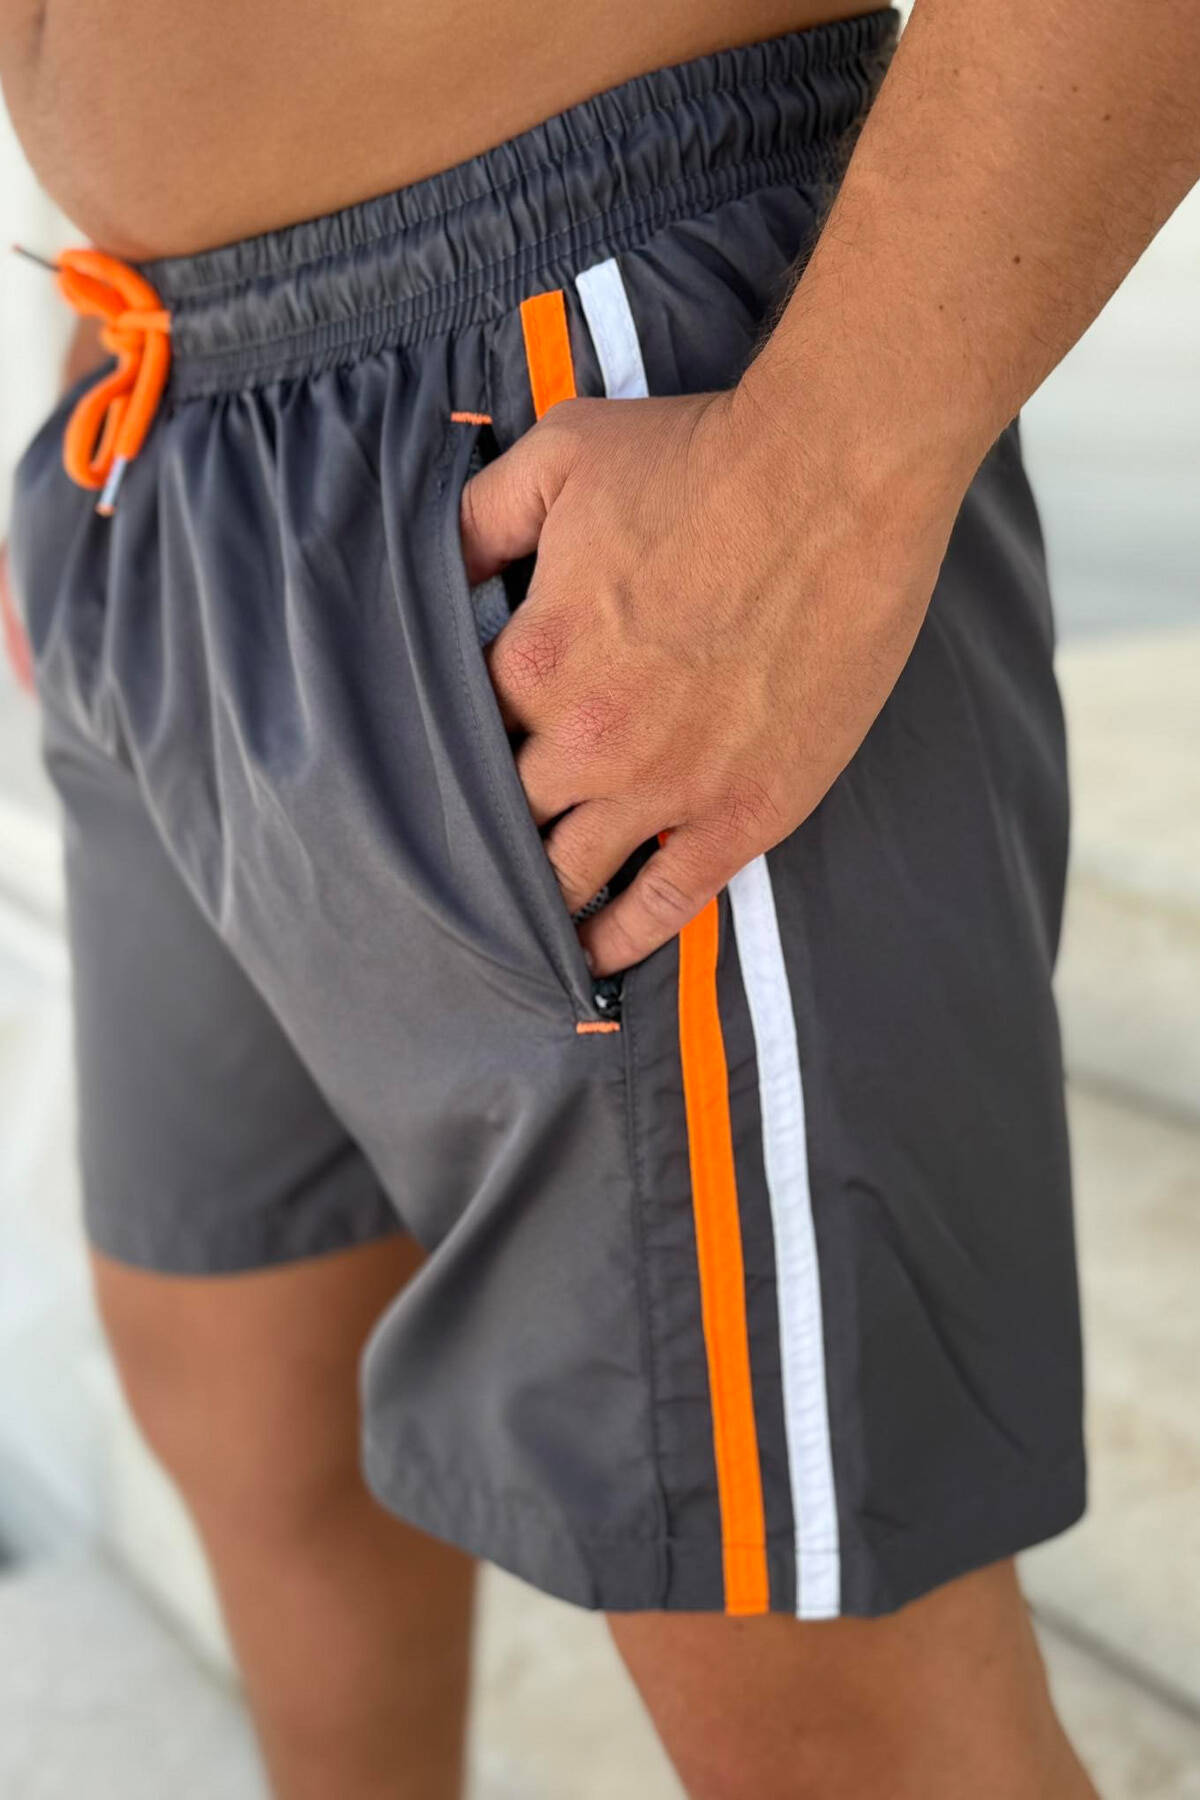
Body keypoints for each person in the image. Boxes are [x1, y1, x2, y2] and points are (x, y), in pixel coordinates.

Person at [2, 0, 1196, 1793]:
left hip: (575, 372)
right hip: (165, 426)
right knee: (240, 1388)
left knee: (817, 1692)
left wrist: (827, 472)